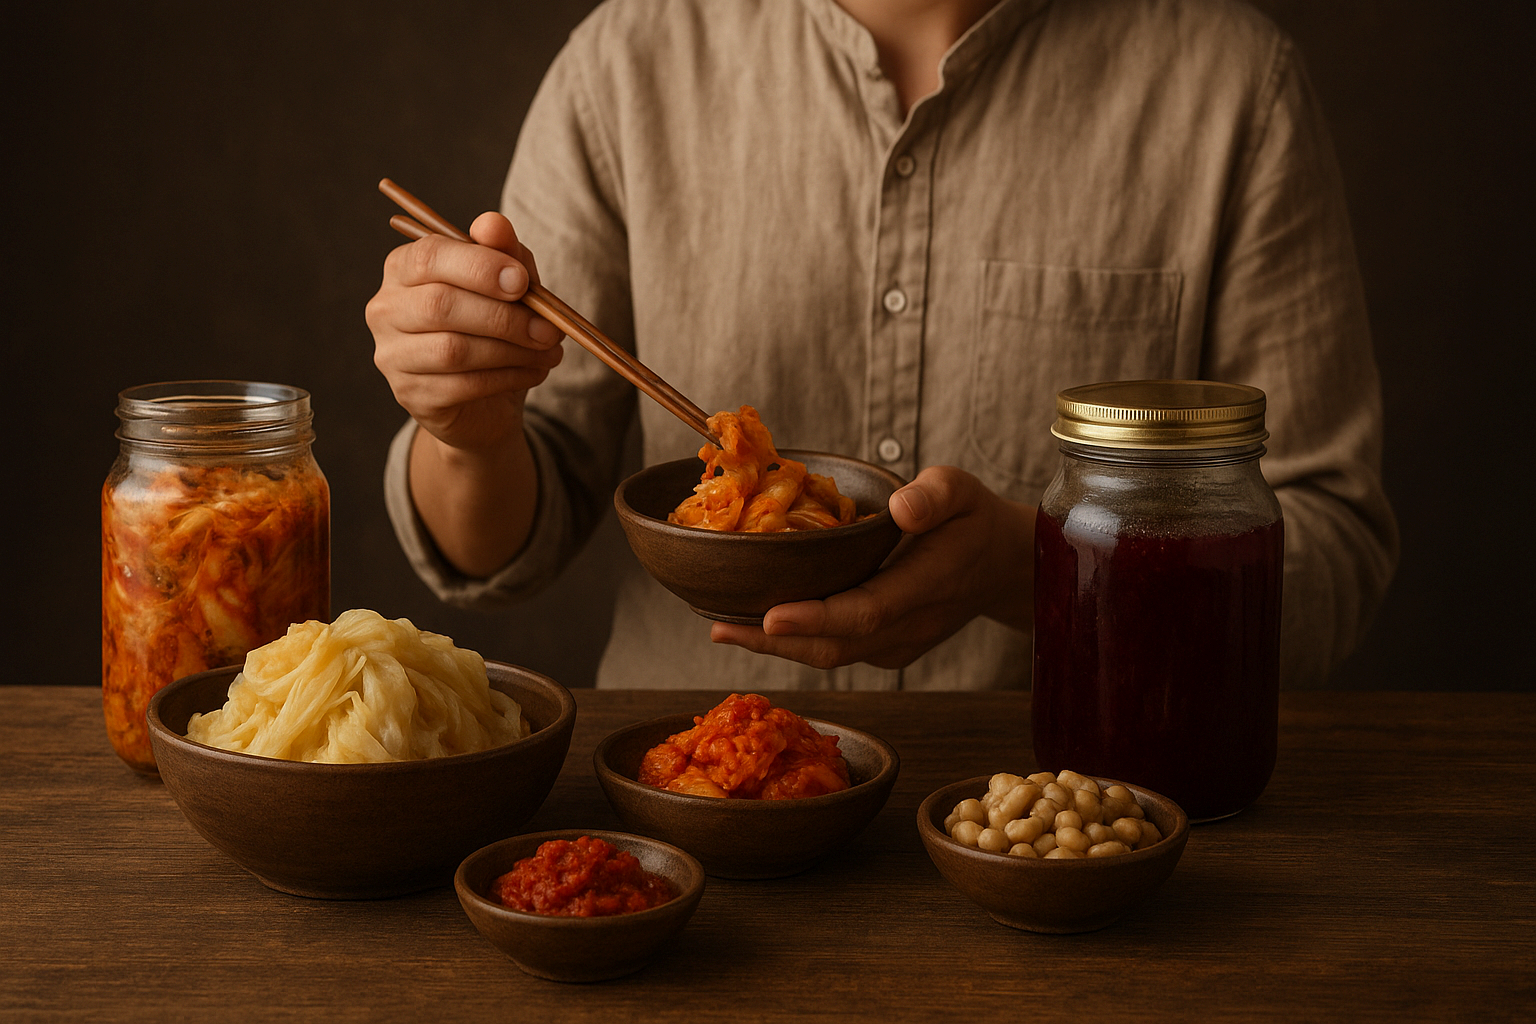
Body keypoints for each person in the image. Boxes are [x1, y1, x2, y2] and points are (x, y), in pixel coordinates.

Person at [366, 0, 1398, 691]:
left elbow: (1329, 559)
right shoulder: (627, 61)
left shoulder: (1229, 85)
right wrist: (468, 429)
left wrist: (1037, 570)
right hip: (688, 818)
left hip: (1068, 825)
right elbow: (498, 547)